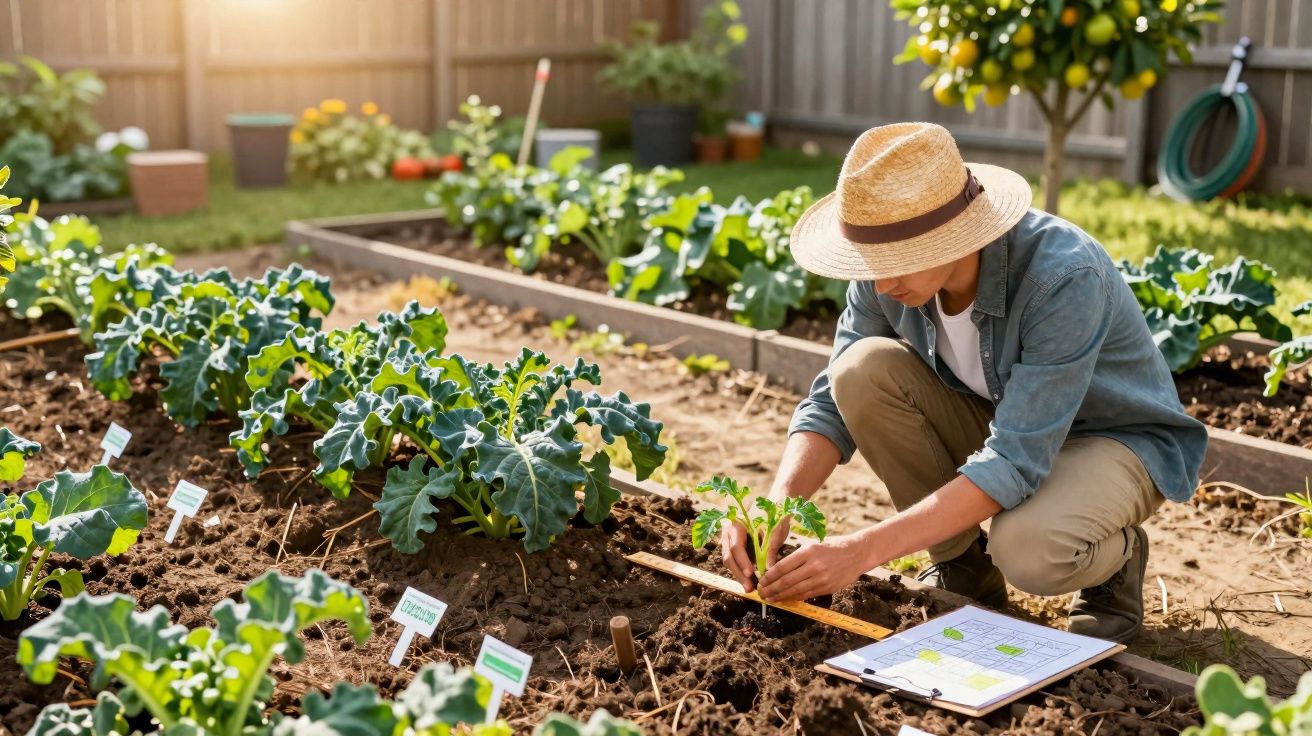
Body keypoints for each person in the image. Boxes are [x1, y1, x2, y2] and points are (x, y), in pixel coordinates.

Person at [719, 122, 1207, 643]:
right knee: (860, 371)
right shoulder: (886, 276)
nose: (881, 283)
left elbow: (1014, 461)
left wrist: (862, 551)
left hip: (1114, 441)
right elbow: (829, 405)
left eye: (896, 262)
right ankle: (963, 567)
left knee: (1028, 549)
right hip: (1009, 421)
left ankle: (1116, 563)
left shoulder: (1062, 277)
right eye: (871, 264)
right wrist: (777, 508)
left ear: (952, 234)